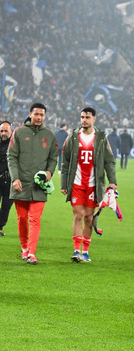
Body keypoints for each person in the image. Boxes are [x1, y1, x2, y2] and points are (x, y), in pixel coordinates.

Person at [60, 107, 117, 262]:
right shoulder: (73, 136)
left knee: (88, 217)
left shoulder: (101, 138)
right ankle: (76, 250)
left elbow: (109, 161)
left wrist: (112, 182)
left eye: (87, 117)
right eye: (82, 117)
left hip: (93, 185)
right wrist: (64, 183)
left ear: (94, 119)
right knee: (78, 215)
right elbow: (65, 161)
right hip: (77, 183)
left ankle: (85, 252)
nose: (84, 120)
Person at [7, 103, 58, 265]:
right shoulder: (19, 132)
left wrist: (49, 172)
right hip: (21, 183)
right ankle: (24, 248)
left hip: (39, 185)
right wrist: (15, 178)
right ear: (30, 114)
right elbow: (11, 157)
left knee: (34, 218)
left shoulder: (49, 135)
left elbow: (53, 158)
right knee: (22, 218)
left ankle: (32, 253)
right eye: (36, 114)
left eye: (42, 115)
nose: (39, 117)